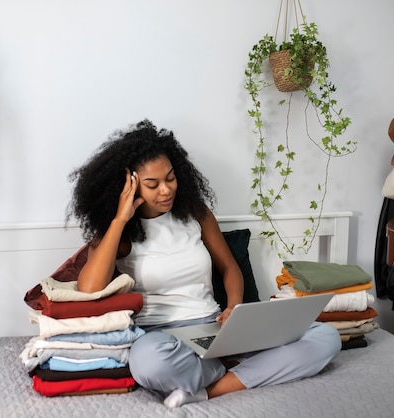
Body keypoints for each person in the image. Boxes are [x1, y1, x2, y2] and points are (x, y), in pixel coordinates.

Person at [67, 119, 341, 408]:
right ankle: (235, 367)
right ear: (129, 185)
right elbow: (89, 289)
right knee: (147, 364)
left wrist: (233, 308)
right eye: (152, 184)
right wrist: (120, 219)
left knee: (325, 337)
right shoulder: (119, 233)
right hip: (162, 338)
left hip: (215, 326)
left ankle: (213, 388)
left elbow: (229, 268)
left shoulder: (195, 212)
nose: (166, 190)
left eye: (170, 178)